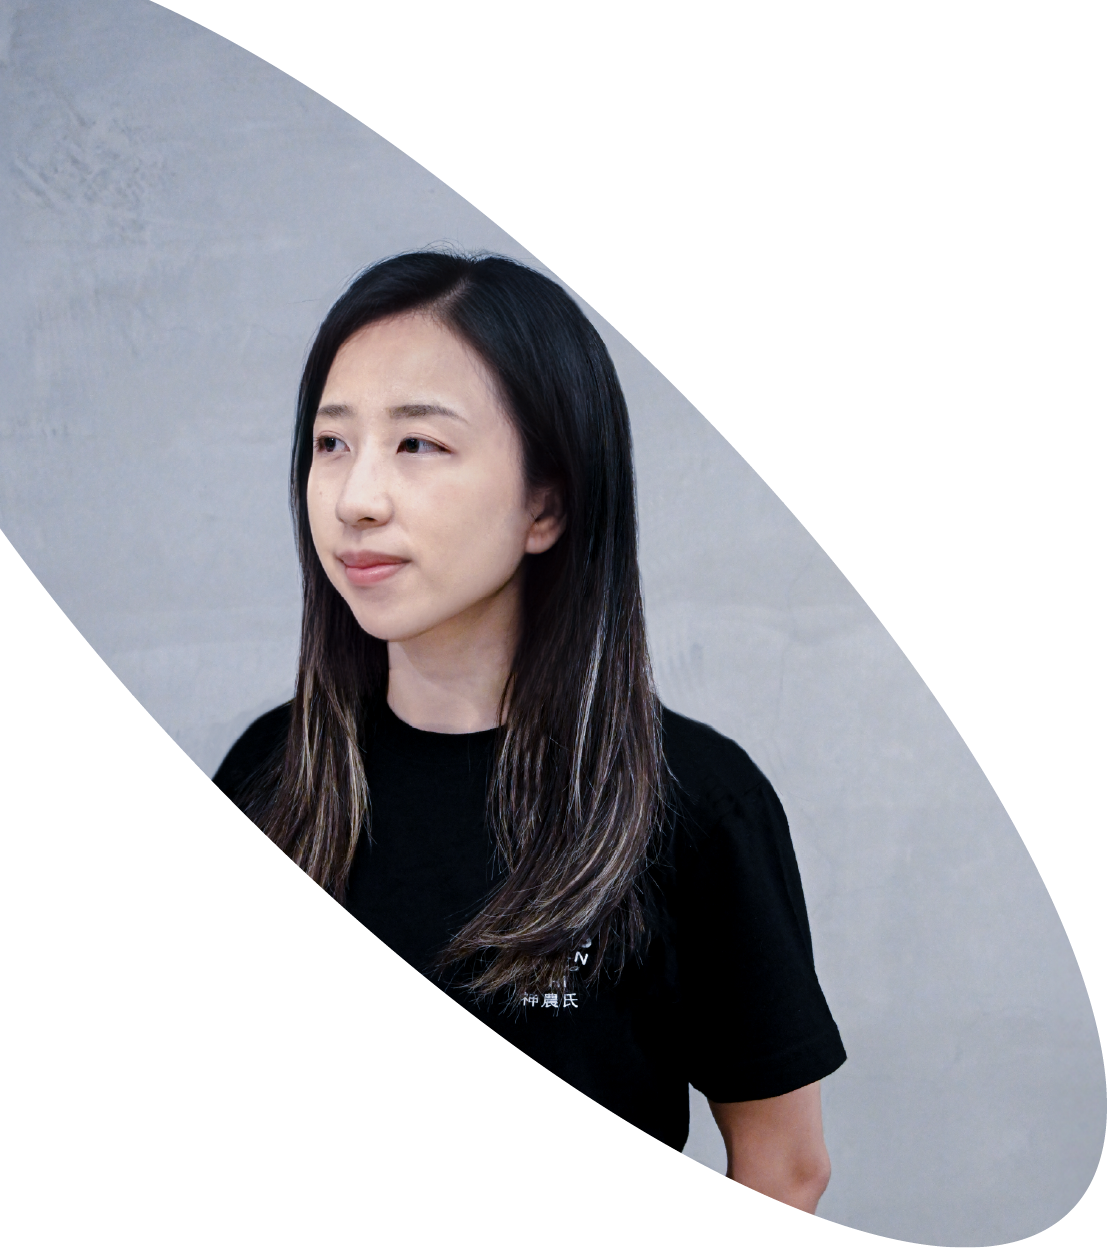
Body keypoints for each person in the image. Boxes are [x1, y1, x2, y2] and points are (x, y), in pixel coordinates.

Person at [214, 250, 846, 1247]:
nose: (355, 498)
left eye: (418, 443)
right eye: (331, 443)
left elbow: (781, 1176)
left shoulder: (690, 800)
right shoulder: (267, 781)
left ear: (545, 503)